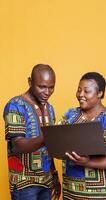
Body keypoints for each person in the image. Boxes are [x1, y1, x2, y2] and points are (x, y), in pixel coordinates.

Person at [59, 72, 106, 200]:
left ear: (100, 93)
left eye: (87, 91)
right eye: (79, 90)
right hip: (71, 192)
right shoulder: (70, 115)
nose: (81, 95)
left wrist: (87, 162)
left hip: (102, 194)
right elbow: (57, 142)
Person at [3, 64, 61, 200]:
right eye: (42, 86)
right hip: (24, 184)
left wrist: (54, 175)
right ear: (30, 82)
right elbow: (17, 146)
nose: (47, 92)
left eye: (51, 87)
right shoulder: (15, 105)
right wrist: (48, 136)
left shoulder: (49, 108)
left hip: (46, 182)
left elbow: (50, 147)